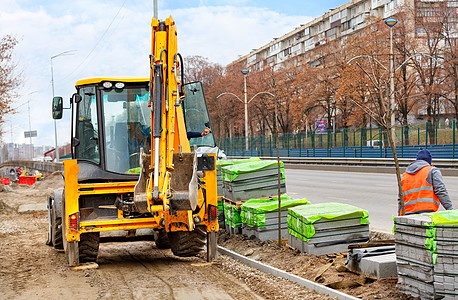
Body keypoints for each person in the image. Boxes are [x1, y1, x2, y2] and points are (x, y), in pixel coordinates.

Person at [399, 149, 453, 215]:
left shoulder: (404, 175)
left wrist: (400, 216)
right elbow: (440, 190)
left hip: (407, 214)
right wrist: (450, 209)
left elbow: (400, 199)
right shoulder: (432, 171)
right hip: (426, 214)